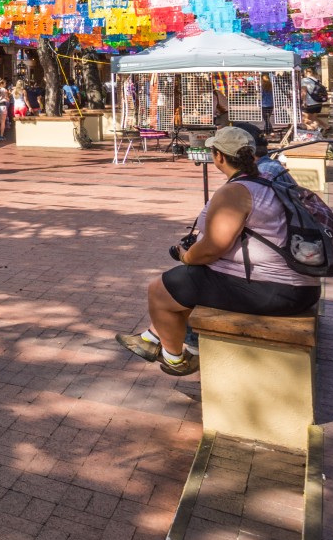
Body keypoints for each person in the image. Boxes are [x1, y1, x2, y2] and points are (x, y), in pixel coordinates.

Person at [115, 126, 321, 376]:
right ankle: (154, 339)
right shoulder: (264, 181)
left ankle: (175, 358)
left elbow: (213, 247)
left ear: (219, 156)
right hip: (295, 285)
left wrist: (186, 256)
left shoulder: (236, 191)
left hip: (275, 290)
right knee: (188, 282)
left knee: (160, 289)